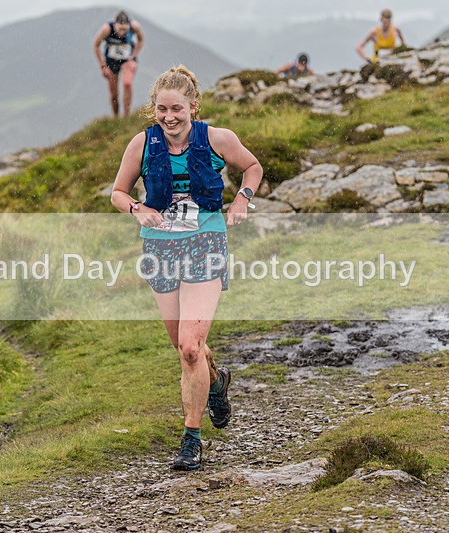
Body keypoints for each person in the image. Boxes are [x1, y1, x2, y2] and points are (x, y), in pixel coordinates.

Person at [110, 66, 263, 471]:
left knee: (191, 347)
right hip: (160, 248)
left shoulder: (217, 139)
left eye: (177, 108)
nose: (169, 116)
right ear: (154, 109)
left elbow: (253, 167)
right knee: (183, 346)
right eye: (162, 109)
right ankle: (217, 382)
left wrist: (243, 199)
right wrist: (136, 208)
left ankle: (191, 438)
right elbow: (118, 192)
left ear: (193, 106)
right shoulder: (142, 144)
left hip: (206, 242)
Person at [93, 10, 145, 117]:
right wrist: (103, 66)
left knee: (127, 84)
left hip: (127, 59)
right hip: (111, 61)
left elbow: (141, 40)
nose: (122, 32)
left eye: (125, 29)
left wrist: (134, 56)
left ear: (128, 26)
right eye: (120, 29)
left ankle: (126, 116)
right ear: (115, 25)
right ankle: (116, 118)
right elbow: (96, 45)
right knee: (114, 95)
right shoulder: (107, 29)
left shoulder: (134, 26)